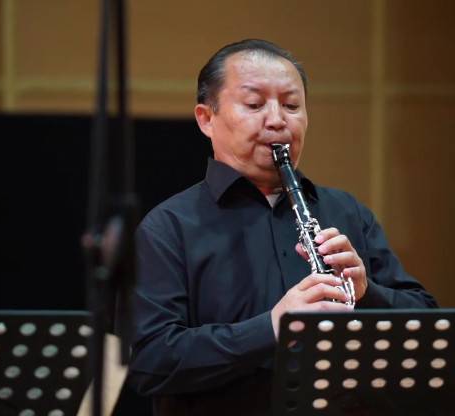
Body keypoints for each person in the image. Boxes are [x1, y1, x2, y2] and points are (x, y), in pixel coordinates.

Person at [126, 38, 438, 415]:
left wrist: (366, 293)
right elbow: (150, 362)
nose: (277, 120)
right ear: (206, 119)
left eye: (291, 106)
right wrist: (273, 327)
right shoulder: (169, 228)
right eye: (254, 104)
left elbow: (429, 329)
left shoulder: (348, 213)